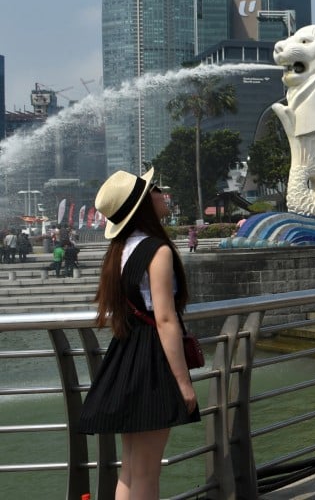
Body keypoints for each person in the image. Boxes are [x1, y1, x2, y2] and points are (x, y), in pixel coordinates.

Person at [79, 168, 200, 500]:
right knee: (147, 470)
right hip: (151, 364)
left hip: (126, 356)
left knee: (131, 468)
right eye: (156, 189)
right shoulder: (157, 251)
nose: (162, 194)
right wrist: (183, 383)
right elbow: (165, 319)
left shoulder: (121, 250)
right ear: (145, 203)